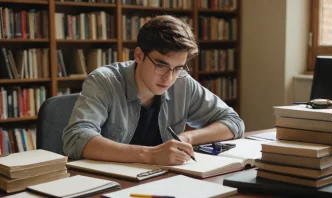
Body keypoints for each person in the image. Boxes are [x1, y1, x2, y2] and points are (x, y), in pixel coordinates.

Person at [62, 15, 245, 166]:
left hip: (161, 182)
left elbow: (234, 122)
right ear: (139, 55)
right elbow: (76, 138)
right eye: (161, 65)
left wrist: (187, 137)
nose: (169, 78)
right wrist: (150, 155)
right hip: (110, 184)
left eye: (178, 68)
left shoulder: (182, 82)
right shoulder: (104, 81)